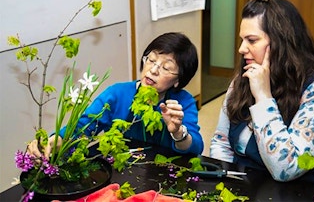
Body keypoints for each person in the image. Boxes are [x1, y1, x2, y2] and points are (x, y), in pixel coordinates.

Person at [209, 0, 314, 182]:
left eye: (251, 40)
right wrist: (221, 182)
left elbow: (286, 169)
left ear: (281, 42)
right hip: (242, 186)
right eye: (242, 40)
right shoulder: (245, 77)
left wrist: (263, 98)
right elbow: (221, 142)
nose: (241, 49)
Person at [28, 32, 204, 157]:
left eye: (166, 67)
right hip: (126, 169)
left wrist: (178, 132)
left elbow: (196, 147)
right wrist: (54, 140)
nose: (153, 70)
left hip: (167, 173)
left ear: (178, 80)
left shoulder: (183, 103)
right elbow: (84, 126)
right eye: (151, 59)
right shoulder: (118, 94)